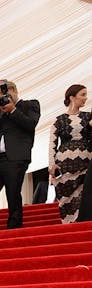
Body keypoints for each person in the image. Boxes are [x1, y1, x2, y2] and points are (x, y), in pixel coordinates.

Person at [0, 80, 41, 230]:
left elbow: (30, 124)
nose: (3, 98)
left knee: (13, 193)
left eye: (5, 94)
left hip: (16, 158)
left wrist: (13, 110)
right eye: (0, 96)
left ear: (14, 91)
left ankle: (13, 227)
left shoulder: (30, 105)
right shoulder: (0, 111)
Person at [48, 84, 90, 224]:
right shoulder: (58, 121)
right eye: (83, 94)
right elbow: (52, 145)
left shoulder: (88, 117)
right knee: (66, 201)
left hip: (86, 163)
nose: (86, 98)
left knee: (84, 199)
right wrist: (51, 165)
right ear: (72, 97)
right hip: (64, 166)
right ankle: (70, 229)